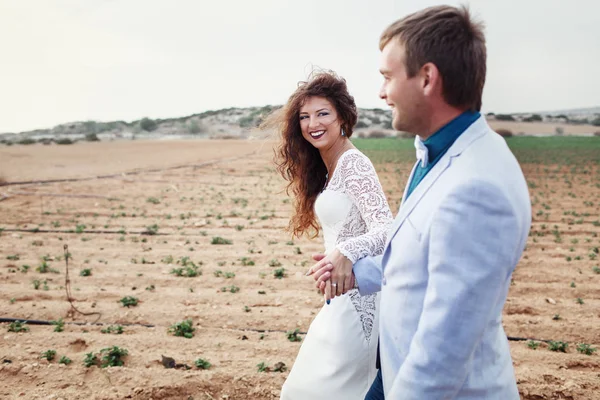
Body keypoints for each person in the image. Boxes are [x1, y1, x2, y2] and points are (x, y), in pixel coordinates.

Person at [311, 5, 531, 399]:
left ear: (427, 78)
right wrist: (356, 273)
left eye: (387, 77)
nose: (381, 92)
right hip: (396, 368)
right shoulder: (435, 154)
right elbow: (415, 258)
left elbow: (443, 350)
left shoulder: (477, 188)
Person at [267, 70, 393, 400]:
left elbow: (388, 229)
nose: (313, 123)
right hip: (338, 299)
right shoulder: (329, 165)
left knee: (312, 391)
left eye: (323, 113)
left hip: (359, 303)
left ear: (342, 117)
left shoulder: (353, 163)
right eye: (305, 116)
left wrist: (345, 252)